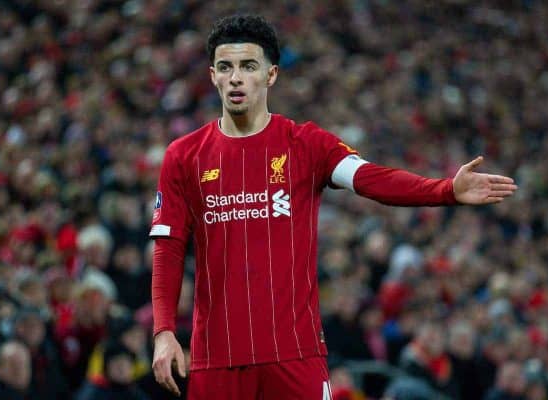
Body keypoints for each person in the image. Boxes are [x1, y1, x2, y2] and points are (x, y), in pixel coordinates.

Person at [150, 14, 518, 400]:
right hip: (216, 358)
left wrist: (443, 189)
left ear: (271, 75)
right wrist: (163, 332)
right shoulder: (184, 156)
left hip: (295, 355)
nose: (236, 77)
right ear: (213, 75)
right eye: (225, 67)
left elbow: (369, 179)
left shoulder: (306, 144)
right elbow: (168, 248)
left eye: (248, 66)